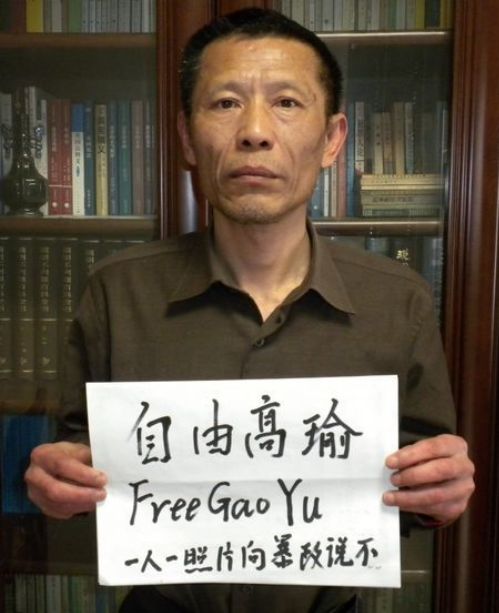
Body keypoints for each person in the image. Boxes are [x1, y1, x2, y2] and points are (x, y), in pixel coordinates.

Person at [25, 8, 475, 613]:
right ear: (188, 138)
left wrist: (441, 493)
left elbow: (422, 487)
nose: (255, 132)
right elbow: (79, 456)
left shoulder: (399, 299)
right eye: (225, 103)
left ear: (332, 139)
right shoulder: (117, 290)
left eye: (287, 102)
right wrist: (57, 483)